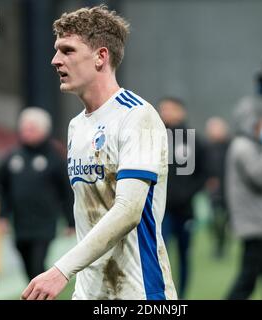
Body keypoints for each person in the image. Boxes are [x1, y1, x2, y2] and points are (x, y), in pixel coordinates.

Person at [22, 5, 177, 300]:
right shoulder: (76, 126)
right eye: (56, 50)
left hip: (139, 292)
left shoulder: (137, 116)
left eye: (67, 50)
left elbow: (128, 211)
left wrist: (60, 270)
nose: (55, 60)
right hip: (89, 292)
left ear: (100, 57)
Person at [0, 107, 75, 281]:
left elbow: (66, 191)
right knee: (27, 268)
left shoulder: (54, 157)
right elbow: (3, 189)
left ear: (44, 130)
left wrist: (71, 221)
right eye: (24, 128)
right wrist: (2, 216)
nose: (26, 132)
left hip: (44, 224)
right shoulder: (12, 157)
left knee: (37, 265)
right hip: (19, 224)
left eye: (31, 128)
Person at [225, 96, 262, 300]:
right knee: (247, 281)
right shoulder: (243, 146)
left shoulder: (250, 145)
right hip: (255, 226)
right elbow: (259, 176)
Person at [158, 97, 206, 299]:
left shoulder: (194, 140)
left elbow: (203, 173)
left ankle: (182, 296)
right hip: (161, 210)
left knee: (184, 255)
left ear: (181, 111)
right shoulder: (155, 138)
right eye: (163, 109)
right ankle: (162, 296)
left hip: (185, 209)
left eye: (170, 109)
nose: (165, 113)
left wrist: (187, 194)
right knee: (161, 253)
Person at [204, 117, 230, 259]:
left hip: (230, 189)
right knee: (214, 220)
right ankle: (217, 243)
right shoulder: (206, 147)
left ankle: (223, 243)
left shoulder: (231, 146)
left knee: (226, 220)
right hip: (214, 190)